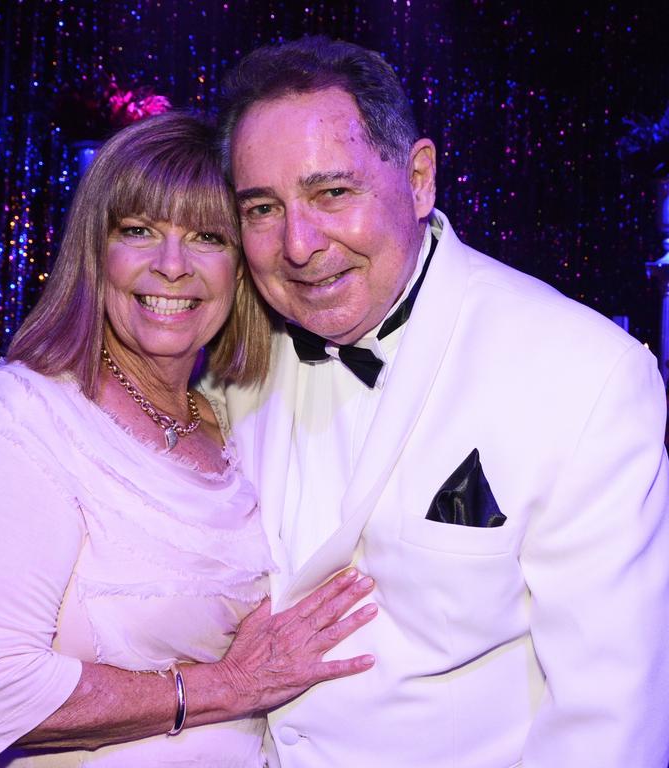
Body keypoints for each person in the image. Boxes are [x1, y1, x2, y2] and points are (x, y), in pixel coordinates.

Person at [206, 36, 669, 767]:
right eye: (262, 208)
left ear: (419, 178)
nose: (298, 245)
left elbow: (609, 718)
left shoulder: (585, 375)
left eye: (333, 194)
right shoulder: (225, 356)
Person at [0, 112, 378, 768]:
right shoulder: (26, 418)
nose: (173, 266)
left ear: (240, 267)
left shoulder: (230, 421)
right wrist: (232, 686)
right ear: (96, 253)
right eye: (138, 231)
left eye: (207, 237)